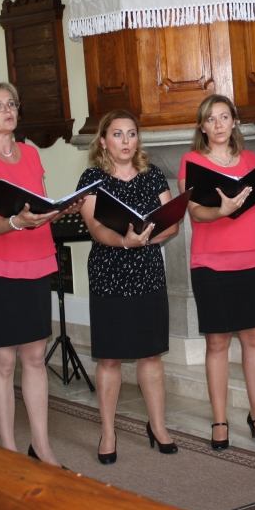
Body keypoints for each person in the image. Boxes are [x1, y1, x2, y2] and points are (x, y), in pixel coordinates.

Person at [0, 81, 82, 467]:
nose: (8, 110)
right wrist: (16, 221)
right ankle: (9, 450)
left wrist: (60, 209)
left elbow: (36, 209)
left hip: (37, 259)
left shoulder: (29, 153)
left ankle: (41, 447)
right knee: (4, 360)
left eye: (12, 103)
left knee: (34, 357)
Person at [177, 95, 255, 450]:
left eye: (224, 117)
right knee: (217, 343)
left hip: (252, 260)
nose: (219, 124)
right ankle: (219, 420)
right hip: (210, 264)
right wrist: (222, 211)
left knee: (254, 340)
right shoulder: (191, 162)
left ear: (235, 121)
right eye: (211, 119)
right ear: (202, 127)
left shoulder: (252, 160)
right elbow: (196, 213)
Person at [76, 110, 180, 464]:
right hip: (108, 273)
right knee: (110, 358)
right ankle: (108, 432)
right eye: (117, 134)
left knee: (150, 354)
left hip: (148, 272)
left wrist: (143, 241)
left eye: (131, 133)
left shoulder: (153, 175)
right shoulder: (92, 178)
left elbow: (171, 224)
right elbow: (96, 229)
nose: (125, 140)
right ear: (104, 141)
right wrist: (124, 242)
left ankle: (158, 426)